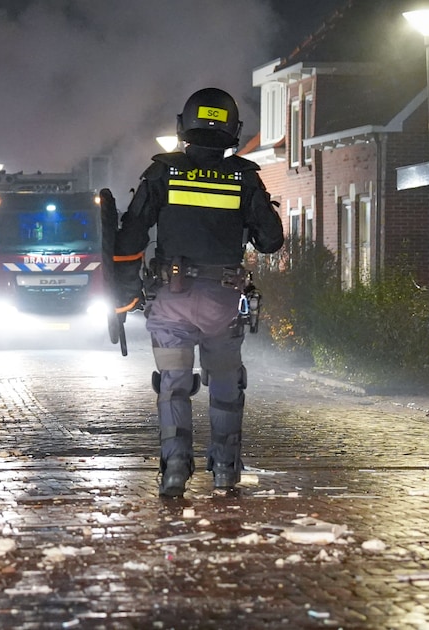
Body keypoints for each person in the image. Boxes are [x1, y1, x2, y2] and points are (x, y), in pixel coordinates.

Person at [113, 88, 284, 497]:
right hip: (222, 303)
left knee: (172, 384)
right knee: (226, 384)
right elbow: (271, 241)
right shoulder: (244, 177)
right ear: (233, 130)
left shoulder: (161, 173)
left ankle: (174, 469)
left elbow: (128, 239)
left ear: (183, 125)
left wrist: (128, 293)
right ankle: (225, 469)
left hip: (170, 301)